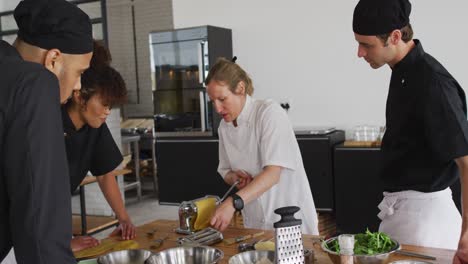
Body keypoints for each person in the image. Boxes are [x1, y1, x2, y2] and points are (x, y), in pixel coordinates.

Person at [352, 0, 468, 259]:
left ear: (394, 37)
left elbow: (466, 161)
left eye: (366, 44)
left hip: (427, 224)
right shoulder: (402, 71)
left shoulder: (433, 83)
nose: (360, 53)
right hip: (404, 216)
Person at [0, 0, 93, 263]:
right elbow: (42, 230)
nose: (78, 86)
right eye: (79, 72)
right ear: (53, 59)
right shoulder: (34, 84)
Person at [207, 58, 319, 235]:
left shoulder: (269, 113)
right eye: (213, 101)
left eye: (222, 99)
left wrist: (232, 203)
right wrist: (234, 177)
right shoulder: (224, 127)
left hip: (289, 218)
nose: (218, 108)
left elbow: (272, 174)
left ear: (241, 89)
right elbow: (225, 171)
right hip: (255, 220)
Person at [63, 41, 135, 252]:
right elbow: (37, 194)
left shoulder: (94, 126)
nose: (107, 112)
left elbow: (105, 174)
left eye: (110, 106)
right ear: (79, 95)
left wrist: (123, 219)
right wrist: (62, 242)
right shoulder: (50, 124)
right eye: (104, 105)